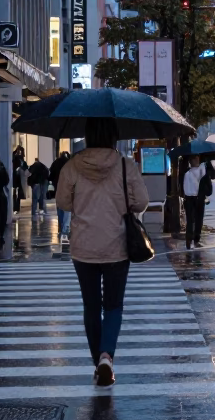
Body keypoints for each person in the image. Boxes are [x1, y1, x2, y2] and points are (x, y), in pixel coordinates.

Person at [56, 118, 148, 388]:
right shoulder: (124, 165)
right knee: (114, 305)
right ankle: (107, 356)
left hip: (83, 247)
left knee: (91, 306)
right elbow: (141, 201)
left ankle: (98, 361)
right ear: (113, 136)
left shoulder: (73, 165)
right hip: (117, 245)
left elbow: (62, 201)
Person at [181, 154, 214, 248]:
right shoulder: (204, 173)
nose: (196, 160)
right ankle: (195, 240)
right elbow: (209, 191)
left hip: (189, 199)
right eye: (195, 158)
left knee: (190, 221)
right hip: (198, 200)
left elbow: (183, 188)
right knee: (198, 220)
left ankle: (189, 240)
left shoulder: (186, 173)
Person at [50, 150, 72, 241]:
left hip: (58, 189)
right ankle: (65, 228)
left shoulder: (55, 163)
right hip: (68, 189)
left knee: (59, 208)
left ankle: (61, 226)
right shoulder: (70, 163)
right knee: (67, 209)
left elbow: (50, 176)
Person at [11, 147, 26, 213]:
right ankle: (16, 208)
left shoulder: (17, 158)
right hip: (17, 179)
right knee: (16, 195)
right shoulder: (18, 158)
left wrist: (17, 149)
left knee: (16, 195)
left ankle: (16, 208)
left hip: (17, 179)